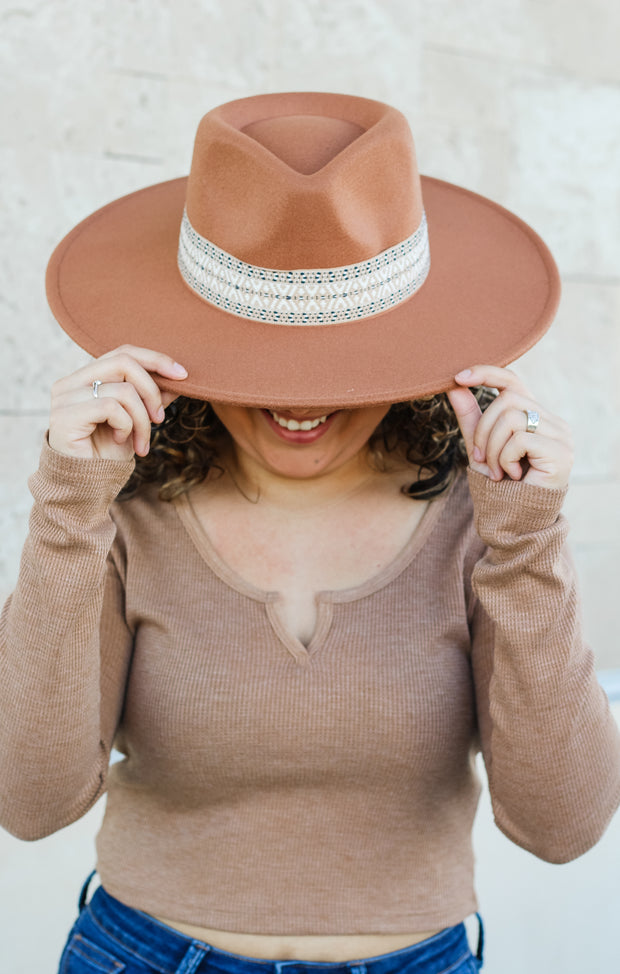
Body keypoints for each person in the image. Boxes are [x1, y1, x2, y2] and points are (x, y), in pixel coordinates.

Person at [1, 92, 619, 974]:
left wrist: (528, 539)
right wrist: (68, 504)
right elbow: (28, 800)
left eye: (341, 360)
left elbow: (564, 825)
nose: (298, 401)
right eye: (257, 359)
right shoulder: (122, 518)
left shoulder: (483, 526)